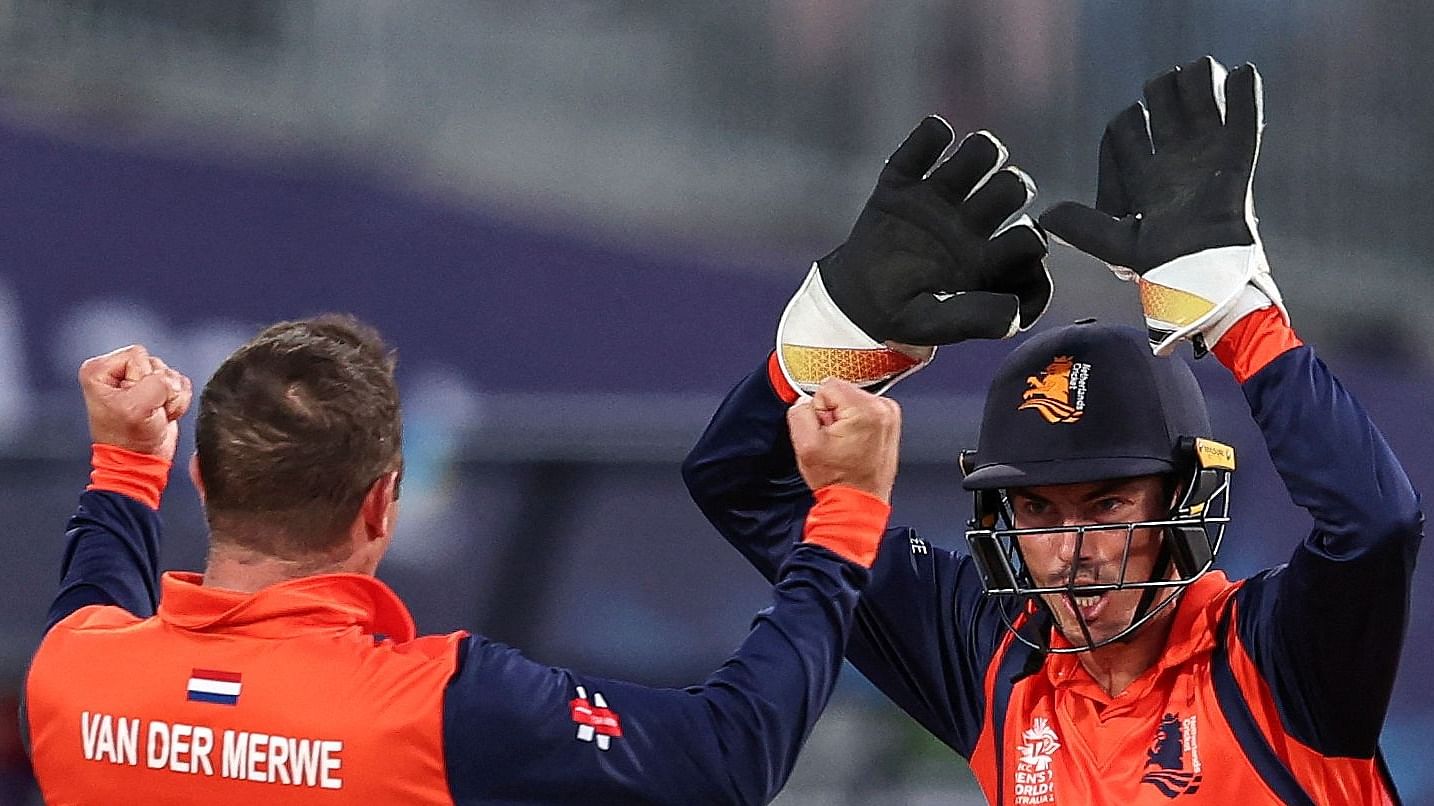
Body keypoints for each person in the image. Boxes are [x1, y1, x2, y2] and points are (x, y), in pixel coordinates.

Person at [685, 57, 1422, 803]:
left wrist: (1237, 318)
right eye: (1038, 509)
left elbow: (1375, 524)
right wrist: (830, 353)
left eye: (1107, 506)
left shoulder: (1274, 659)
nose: (1072, 554)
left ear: (1185, 499)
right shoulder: (989, 659)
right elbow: (743, 487)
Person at [24, 315, 905, 804]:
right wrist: (846, 516)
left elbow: (95, 592)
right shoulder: (441, 708)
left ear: (205, 482)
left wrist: (126, 465)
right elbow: (727, 756)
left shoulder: (73, 673)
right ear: (382, 504)